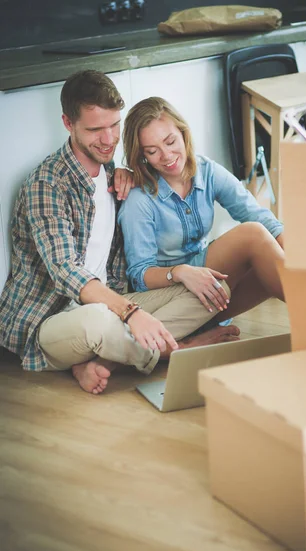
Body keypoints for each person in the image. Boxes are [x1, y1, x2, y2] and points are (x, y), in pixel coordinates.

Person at [0, 71, 239, 396]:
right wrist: (132, 313)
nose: (109, 138)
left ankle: (103, 358)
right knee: (98, 321)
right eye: (95, 129)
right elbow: (66, 271)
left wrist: (156, 290)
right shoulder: (47, 184)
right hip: (53, 316)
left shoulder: (118, 175)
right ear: (68, 124)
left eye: (114, 125)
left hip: (113, 302)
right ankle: (179, 347)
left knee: (212, 290)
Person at [119, 96, 285, 325]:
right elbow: (140, 276)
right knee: (253, 235)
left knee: (271, 260)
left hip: (210, 290)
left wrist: (300, 258)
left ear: (183, 133)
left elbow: (258, 215)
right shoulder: (139, 200)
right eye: (152, 151)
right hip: (170, 296)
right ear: (142, 156)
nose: (166, 156)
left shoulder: (206, 171)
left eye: (170, 141)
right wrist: (180, 271)